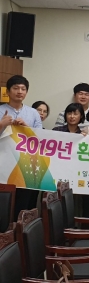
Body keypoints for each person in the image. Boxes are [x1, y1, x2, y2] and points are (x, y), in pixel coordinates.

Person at [0, 75, 42, 219]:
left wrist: (27, 128)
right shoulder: (1, 110)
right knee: (4, 205)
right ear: (7, 91)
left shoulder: (33, 113)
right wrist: (1, 124)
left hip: (25, 165)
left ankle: (20, 231)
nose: (19, 91)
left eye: (23, 89)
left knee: (22, 204)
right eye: (16, 88)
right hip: (3, 165)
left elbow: (40, 138)